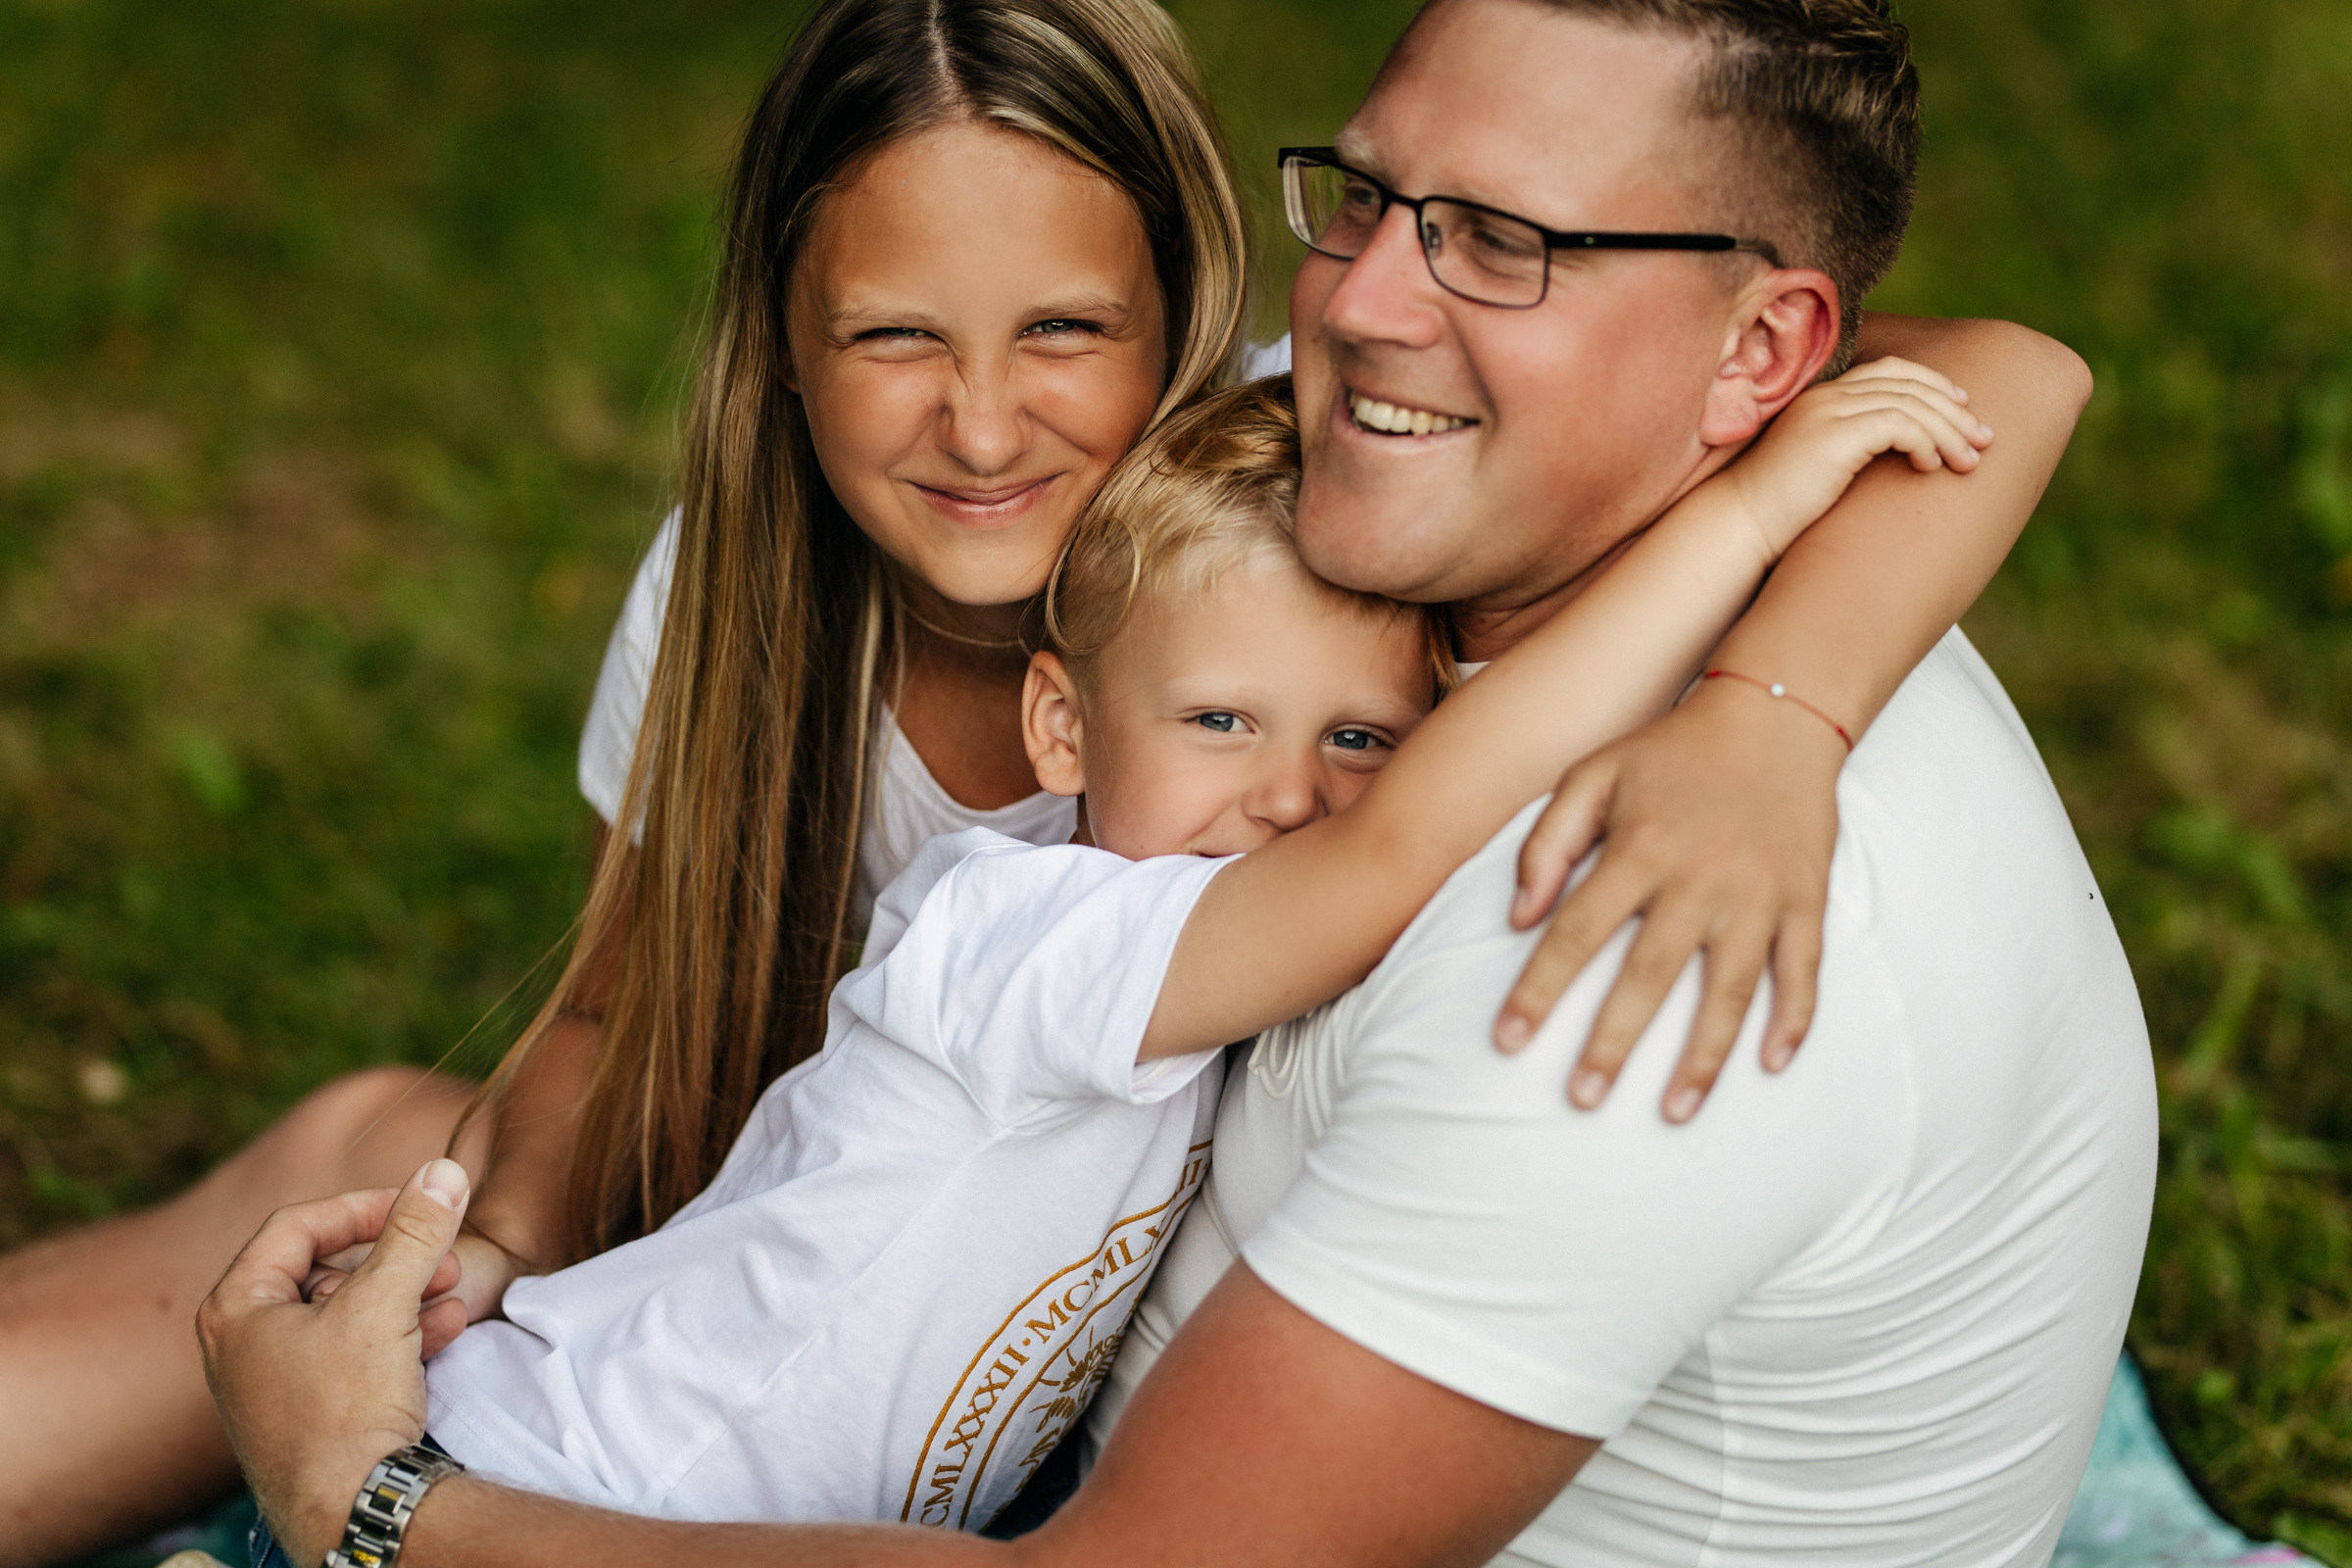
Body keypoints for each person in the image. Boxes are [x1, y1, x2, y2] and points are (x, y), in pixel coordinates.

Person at [69, 0, 2084, 1558]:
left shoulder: (1639, 953)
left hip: (716, 1478)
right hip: (693, 1412)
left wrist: (381, 1504)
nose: (1362, 306)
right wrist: (1778, 689)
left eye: (1496, 241)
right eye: (1369, 200)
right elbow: (1996, 364)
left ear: (1768, 359)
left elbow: (2014, 369)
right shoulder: (1352, 487)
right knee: (376, 1146)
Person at [272, 358, 1975, 1554]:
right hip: (568, 1479)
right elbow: (1401, 850)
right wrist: (1753, 518)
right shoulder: (1047, 941)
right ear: (1063, 723)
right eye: (1222, 720)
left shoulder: (1158, 915)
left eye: (1364, 737)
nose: (1291, 792)